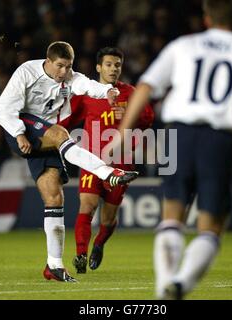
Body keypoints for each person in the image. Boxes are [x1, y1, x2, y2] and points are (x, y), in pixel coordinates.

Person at [112, 0, 232, 299]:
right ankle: (182, 284)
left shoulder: (183, 46)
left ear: (205, 17)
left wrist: (123, 133)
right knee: (211, 226)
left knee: (172, 215)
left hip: (178, 134)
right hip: (221, 139)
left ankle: (164, 285)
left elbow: (146, 87)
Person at [0, 41, 139, 283]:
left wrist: (107, 91)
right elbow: (2, 109)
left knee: (54, 196)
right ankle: (106, 172)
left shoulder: (70, 77)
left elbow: (85, 84)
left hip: (44, 136)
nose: (64, 72)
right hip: (20, 127)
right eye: (60, 66)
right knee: (62, 134)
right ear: (48, 61)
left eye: (68, 66)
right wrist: (19, 133)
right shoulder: (27, 72)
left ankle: (54, 266)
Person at [67, 47, 154, 274]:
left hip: (121, 162)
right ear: (98, 67)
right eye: (108, 64)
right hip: (92, 161)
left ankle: (99, 244)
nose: (113, 69)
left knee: (108, 219)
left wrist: (128, 122)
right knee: (87, 205)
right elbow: (68, 119)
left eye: (117, 65)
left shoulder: (131, 93)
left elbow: (148, 119)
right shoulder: (87, 94)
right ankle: (80, 254)